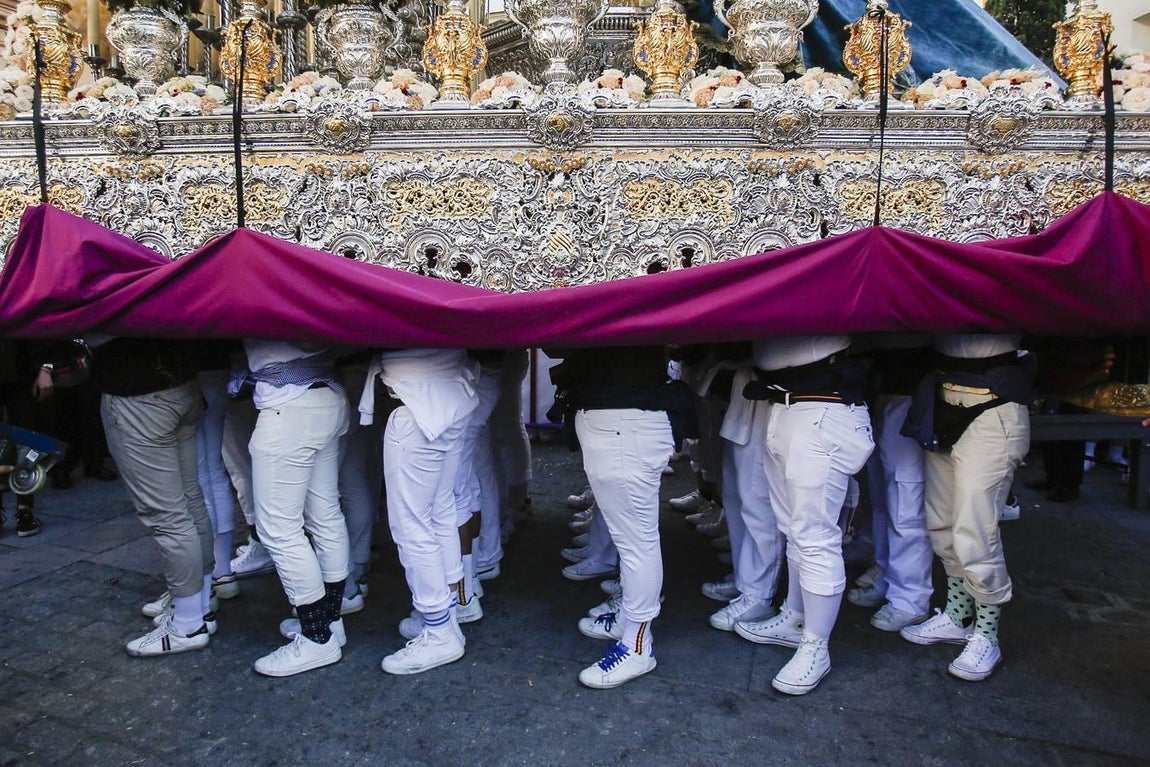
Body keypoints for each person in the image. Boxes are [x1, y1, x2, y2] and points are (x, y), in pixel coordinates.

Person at [734, 336, 873, 696]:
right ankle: (795, 618)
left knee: (815, 536)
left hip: (823, 407)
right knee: (794, 530)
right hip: (785, 404)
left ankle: (816, 646)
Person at [899, 334, 1032, 683]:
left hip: (994, 404)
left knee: (975, 529)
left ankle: (987, 634)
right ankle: (959, 616)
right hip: (945, 397)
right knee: (942, 521)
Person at [552, 346, 674, 689]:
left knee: (637, 544)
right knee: (633, 542)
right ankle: (630, 623)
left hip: (626, 418)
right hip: (617, 416)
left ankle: (637, 645)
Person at [92, 338, 215, 657]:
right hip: (180, 383)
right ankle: (199, 607)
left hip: (139, 394)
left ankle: (189, 623)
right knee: (189, 501)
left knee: (169, 516)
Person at [359, 348, 478, 675]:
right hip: (448, 391)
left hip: (417, 402)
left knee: (412, 527)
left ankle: (439, 629)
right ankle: (447, 617)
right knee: (440, 513)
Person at [240, 340, 350, 677]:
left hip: (288, 406)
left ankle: (317, 638)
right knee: (326, 515)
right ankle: (330, 623)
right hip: (325, 395)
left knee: (279, 529)